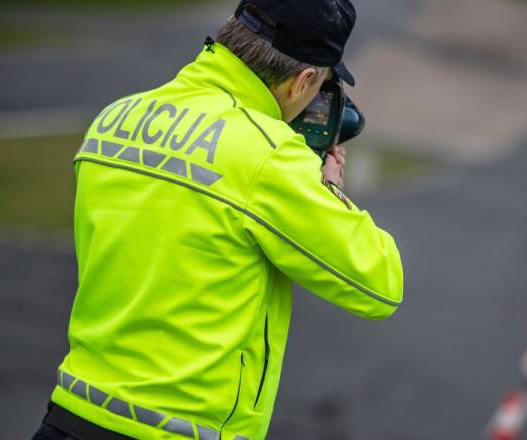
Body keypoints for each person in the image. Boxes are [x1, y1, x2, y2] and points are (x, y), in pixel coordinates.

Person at [31, 0, 404, 439]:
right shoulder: (268, 155)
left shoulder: (116, 118)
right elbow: (379, 283)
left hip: (69, 414)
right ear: (303, 80)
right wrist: (328, 188)